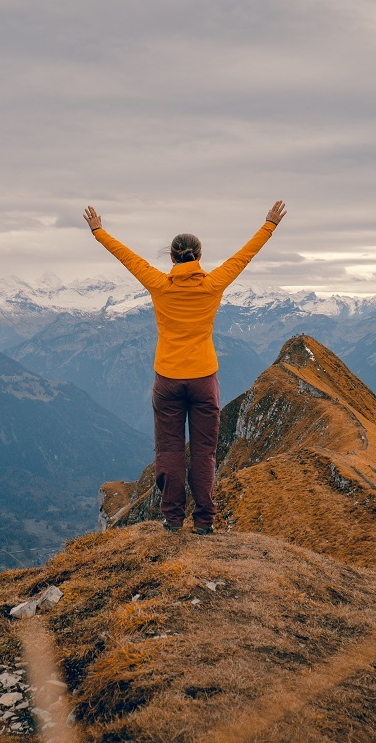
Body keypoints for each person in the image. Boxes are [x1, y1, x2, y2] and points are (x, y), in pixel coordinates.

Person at [83, 200, 286, 534]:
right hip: (204, 379)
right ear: (199, 256)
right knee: (204, 453)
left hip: (168, 380)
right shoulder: (213, 284)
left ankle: (173, 518)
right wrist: (269, 225)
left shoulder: (159, 284)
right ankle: (204, 521)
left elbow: (128, 258)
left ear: (172, 258)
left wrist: (98, 232)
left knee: (170, 450)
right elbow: (243, 256)